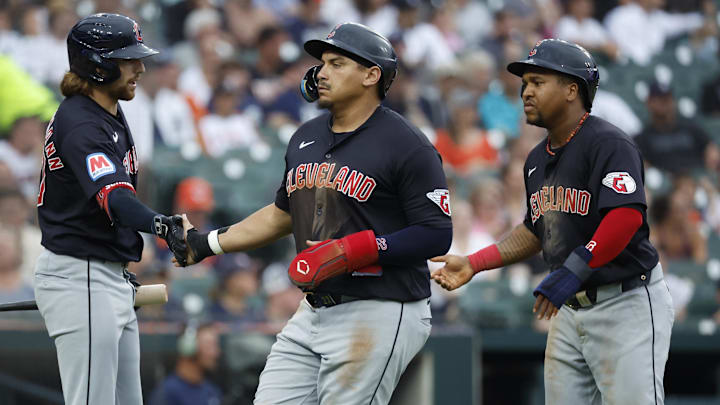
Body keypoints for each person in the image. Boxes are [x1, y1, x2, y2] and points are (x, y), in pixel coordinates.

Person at [175, 22, 453, 405]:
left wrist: (355, 250)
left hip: (381, 308)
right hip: (314, 309)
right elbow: (281, 214)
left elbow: (436, 234)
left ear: (372, 75)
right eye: (322, 63)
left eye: (337, 63)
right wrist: (207, 243)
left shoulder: (408, 144)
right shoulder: (305, 136)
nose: (322, 72)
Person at [431, 39, 674, 405]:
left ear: (572, 89)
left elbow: (625, 217)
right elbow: (535, 230)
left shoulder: (610, 143)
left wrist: (575, 268)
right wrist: (475, 263)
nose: (526, 92)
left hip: (626, 302)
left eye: (537, 82)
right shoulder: (534, 160)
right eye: (524, 83)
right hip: (569, 308)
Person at [33, 14, 187, 405]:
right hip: (81, 276)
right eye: (128, 59)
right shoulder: (81, 122)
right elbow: (115, 200)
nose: (140, 67)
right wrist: (161, 225)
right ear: (98, 66)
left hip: (107, 277)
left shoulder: (105, 113)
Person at [148, 322, 223, 405]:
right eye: (210, 346)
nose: (216, 353)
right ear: (189, 348)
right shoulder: (167, 393)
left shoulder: (212, 392)